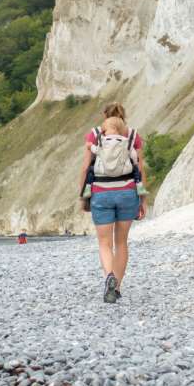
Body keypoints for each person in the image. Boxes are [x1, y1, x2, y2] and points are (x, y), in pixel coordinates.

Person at [79, 102, 147, 303]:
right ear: (123, 116)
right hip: (127, 193)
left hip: (101, 193)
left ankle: (108, 275)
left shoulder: (94, 136)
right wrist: (142, 199)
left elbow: (85, 168)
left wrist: (83, 195)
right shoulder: (133, 136)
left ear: (104, 116)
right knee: (121, 242)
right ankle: (116, 286)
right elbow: (140, 171)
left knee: (104, 243)